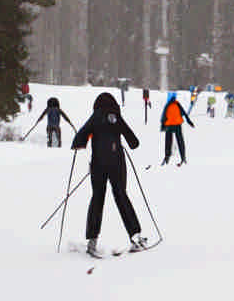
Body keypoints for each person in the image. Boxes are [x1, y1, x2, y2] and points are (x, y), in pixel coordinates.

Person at [71, 92, 147, 256]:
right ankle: (135, 236)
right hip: (117, 163)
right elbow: (134, 142)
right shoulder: (116, 117)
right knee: (121, 196)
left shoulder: (96, 116)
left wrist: (79, 144)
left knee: (97, 197)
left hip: (98, 163)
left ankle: (92, 241)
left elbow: (81, 135)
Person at [160, 92, 195, 166]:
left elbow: (163, 116)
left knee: (168, 141)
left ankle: (167, 156)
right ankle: (183, 156)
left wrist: (162, 126)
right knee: (180, 141)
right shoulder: (177, 104)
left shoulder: (167, 105)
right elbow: (184, 113)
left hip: (169, 125)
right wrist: (189, 122)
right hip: (177, 125)